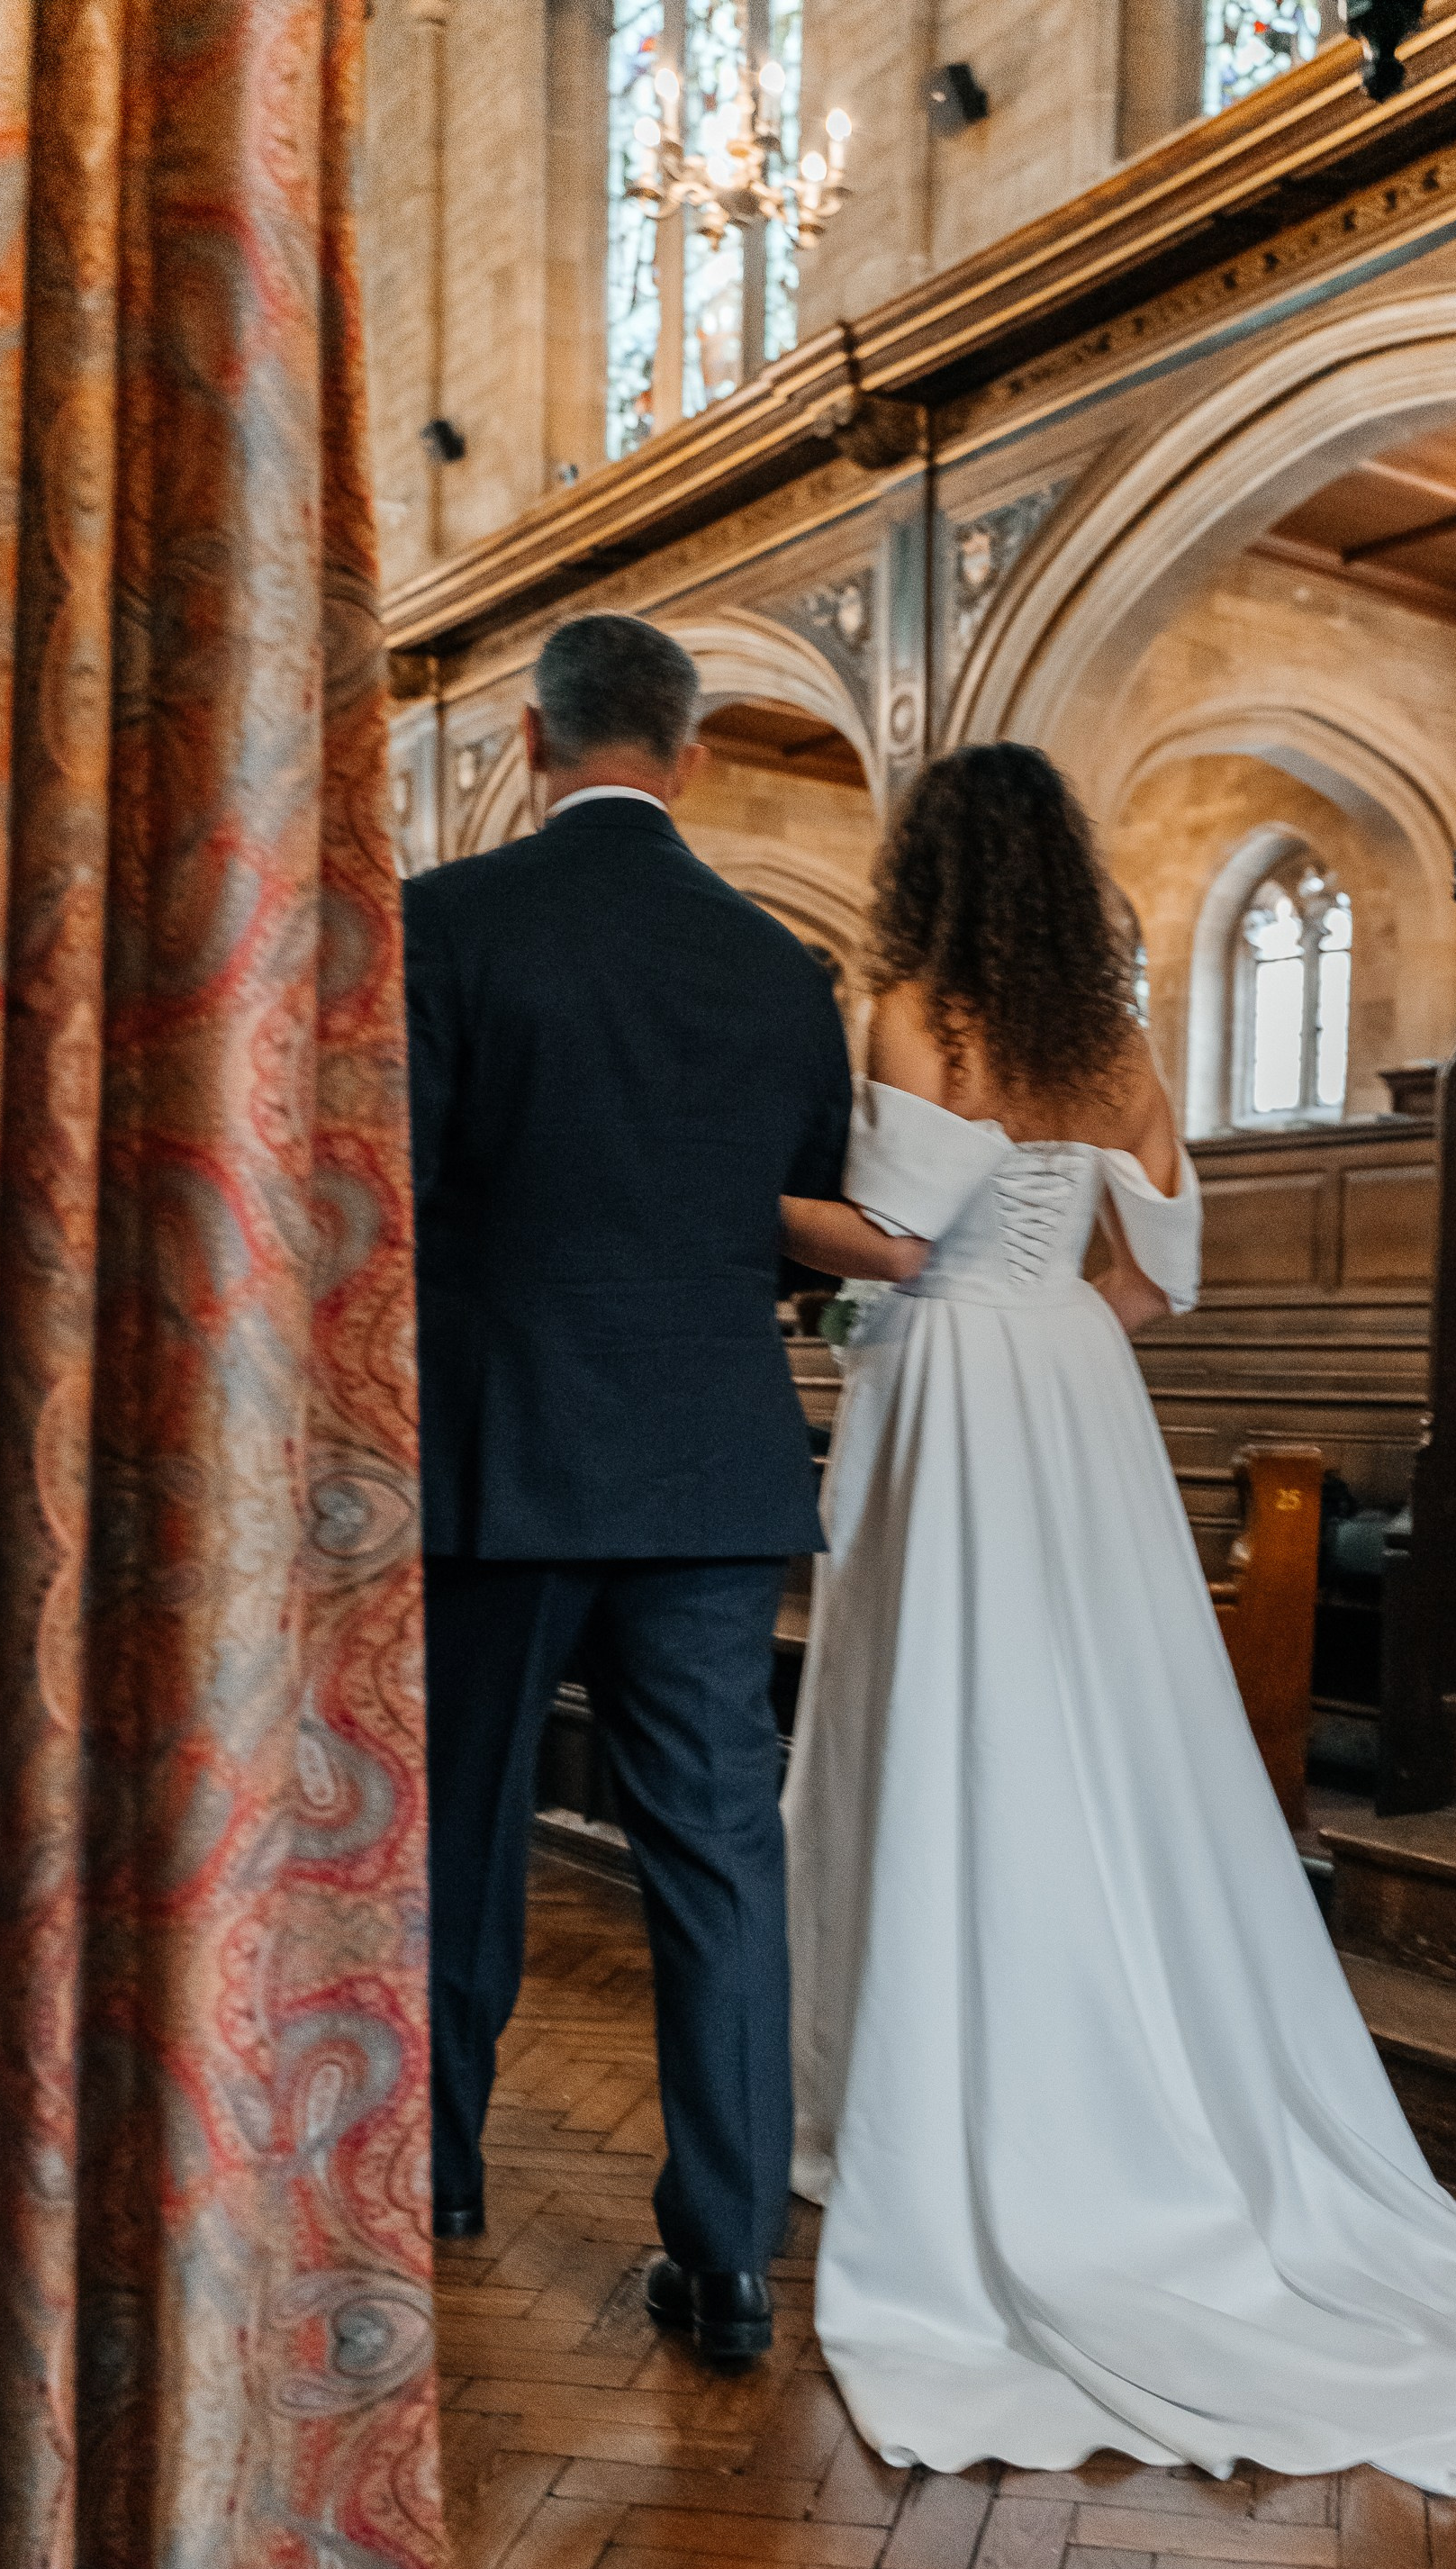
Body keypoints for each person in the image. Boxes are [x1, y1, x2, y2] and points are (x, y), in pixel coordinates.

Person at [779, 743, 1456, 2492]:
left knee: (941, 1733)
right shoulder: (1113, 1048)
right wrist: (1054, 1313)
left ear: (931, 872)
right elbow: (1155, 1280)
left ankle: (927, 2107)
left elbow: (899, 1242)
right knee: (1091, 1743)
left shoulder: (922, 1013)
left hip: (962, 1387)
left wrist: (749, 1210)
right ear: (1067, 882)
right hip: (1074, 1397)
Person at [405, 612, 916, 2363]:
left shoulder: (444, 924)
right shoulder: (781, 968)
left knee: (458, 1834)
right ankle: (725, 2254)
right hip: (709, 1465)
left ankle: (435, 2175)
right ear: (686, 758)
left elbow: (383, 1197)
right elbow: (792, 1214)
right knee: (715, 1859)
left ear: (533, 748)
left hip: (492, 1457)